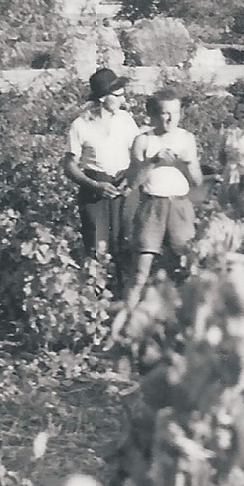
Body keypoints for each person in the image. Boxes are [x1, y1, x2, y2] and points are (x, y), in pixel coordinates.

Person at [126, 88, 203, 307]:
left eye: (174, 113)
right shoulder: (143, 140)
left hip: (180, 206)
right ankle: (126, 324)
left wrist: (188, 163)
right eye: (163, 113)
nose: (169, 119)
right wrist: (153, 161)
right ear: (153, 114)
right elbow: (133, 182)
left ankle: (187, 321)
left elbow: (197, 182)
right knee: (141, 271)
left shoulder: (187, 138)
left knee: (188, 266)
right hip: (151, 206)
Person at [65, 68, 142, 270]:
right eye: (117, 95)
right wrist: (94, 185)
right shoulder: (80, 125)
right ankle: (96, 293)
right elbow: (69, 165)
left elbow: (137, 155)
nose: (122, 99)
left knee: (126, 241)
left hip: (122, 187)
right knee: (97, 246)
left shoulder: (126, 120)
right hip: (95, 190)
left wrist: (130, 179)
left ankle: (121, 293)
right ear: (102, 98)